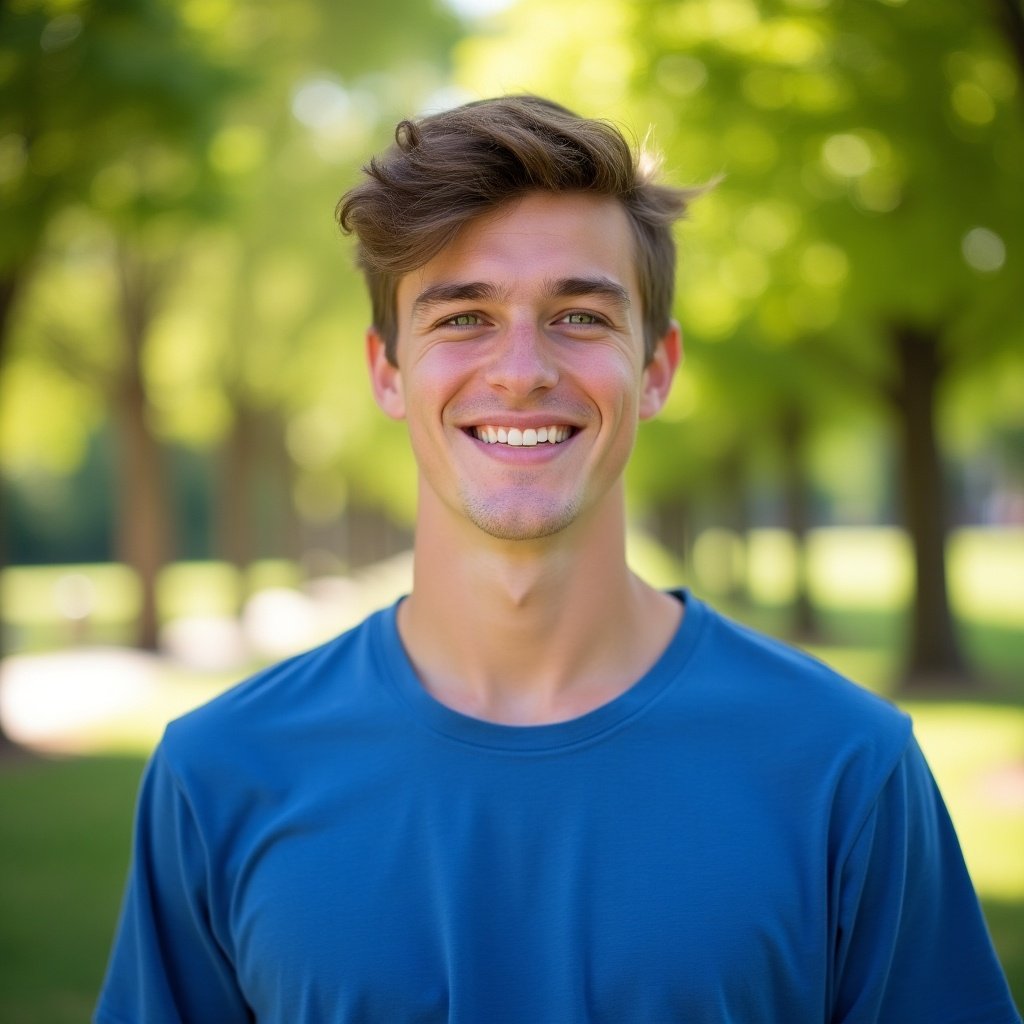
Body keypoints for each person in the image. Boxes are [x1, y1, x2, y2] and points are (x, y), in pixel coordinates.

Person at [95, 95, 1021, 1023]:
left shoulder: (845, 768)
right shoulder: (219, 774)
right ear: (387, 370)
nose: (522, 369)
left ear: (656, 368)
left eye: (579, 316)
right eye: (463, 318)